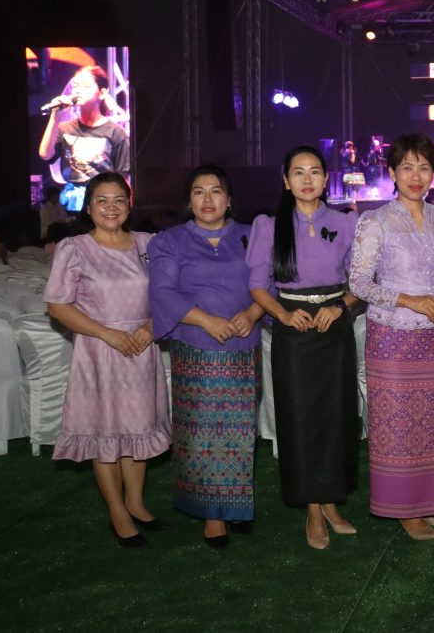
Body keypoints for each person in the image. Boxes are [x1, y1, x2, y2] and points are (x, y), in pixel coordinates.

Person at [42, 172, 171, 547]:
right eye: (101, 200)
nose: (110, 208)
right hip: (99, 351)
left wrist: (150, 325)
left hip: (142, 347)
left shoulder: (150, 244)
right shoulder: (75, 248)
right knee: (106, 431)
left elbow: (168, 294)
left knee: (138, 427)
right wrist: (108, 333)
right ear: (88, 205)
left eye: (118, 200)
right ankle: (117, 511)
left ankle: (136, 502)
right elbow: (57, 306)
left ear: (129, 205)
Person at [246, 145, 360, 550]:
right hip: (292, 330)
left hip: (334, 328)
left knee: (336, 416)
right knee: (299, 416)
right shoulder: (267, 224)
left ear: (326, 179)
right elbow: (257, 286)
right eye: (298, 172)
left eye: (315, 172)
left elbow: (361, 283)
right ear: (285, 180)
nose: (307, 179)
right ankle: (312, 510)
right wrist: (282, 314)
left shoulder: (347, 223)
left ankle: (331, 502)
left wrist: (340, 306)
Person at [349, 133, 434, 541]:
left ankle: (428, 501)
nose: (416, 176)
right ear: (393, 172)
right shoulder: (375, 220)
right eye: (407, 167)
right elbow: (359, 282)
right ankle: (402, 508)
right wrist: (410, 301)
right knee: (395, 424)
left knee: (431, 422)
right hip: (392, 335)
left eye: (424, 167)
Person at [148, 165, 265, 549]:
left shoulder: (252, 236)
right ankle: (212, 515)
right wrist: (206, 321)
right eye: (199, 192)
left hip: (242, 348)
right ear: (189, 200)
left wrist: (251, 314)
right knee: (199, 431)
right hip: (195, 347)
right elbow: (162, 292)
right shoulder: (168, 241)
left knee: (239, 431)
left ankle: (235, 504)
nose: (208, 199)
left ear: (229, 199)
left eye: (216, 191)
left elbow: (269, 284)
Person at [38, 65, 131, 211]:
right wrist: (55, 117)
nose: (79, 90)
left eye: (86, 86)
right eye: (76, 86)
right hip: (70, 203)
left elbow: (122, 179)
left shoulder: (116, 133)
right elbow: (45, 154)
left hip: (103, 204)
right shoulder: (64, 128)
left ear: (102, 93)